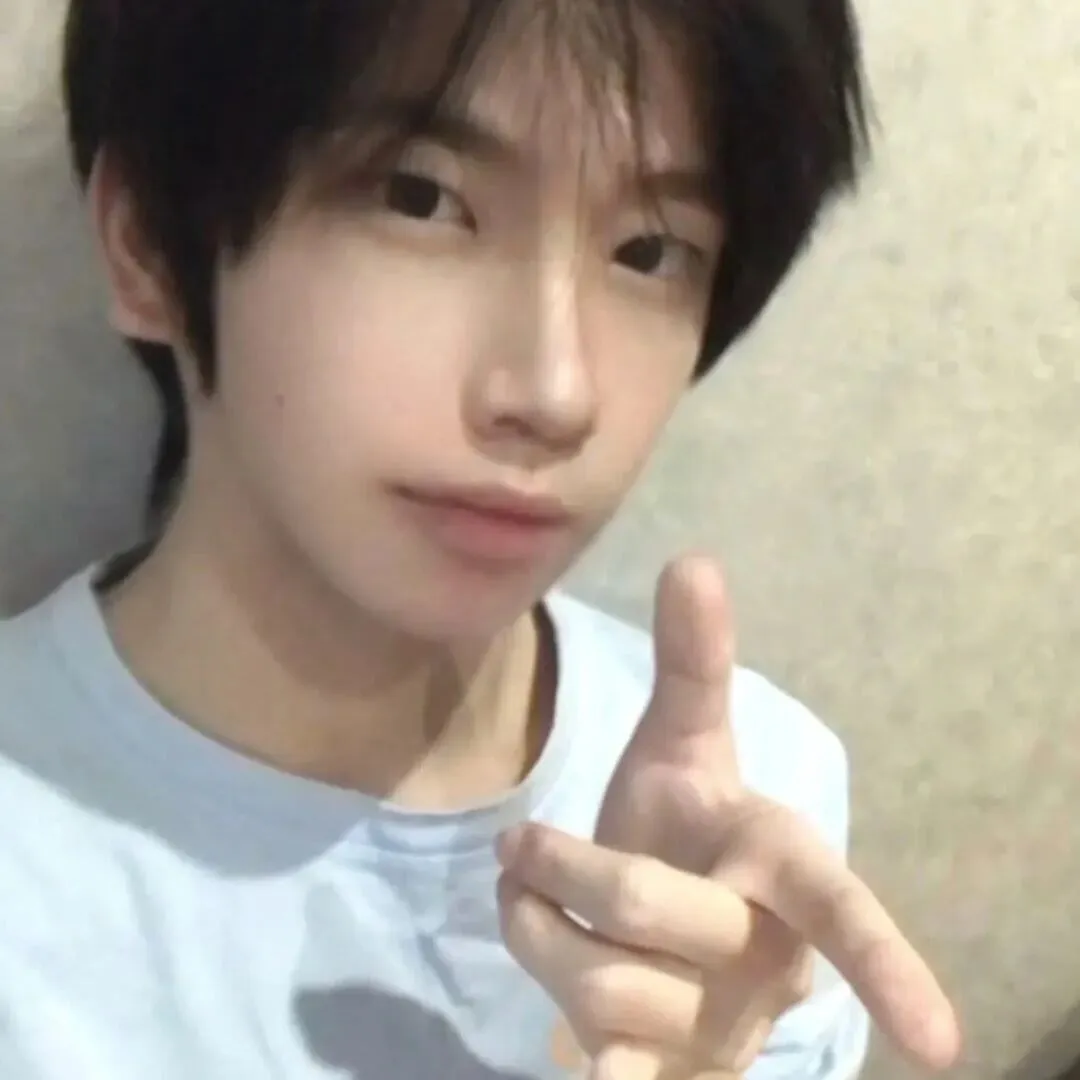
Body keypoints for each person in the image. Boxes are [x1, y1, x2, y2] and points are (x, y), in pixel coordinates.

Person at [0, 1, 959, 1078]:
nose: (555, 393)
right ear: (147, 246)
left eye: (650, 250)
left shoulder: (750, 821)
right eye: (421, 198)